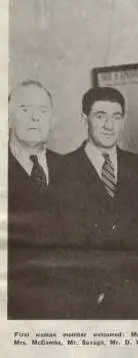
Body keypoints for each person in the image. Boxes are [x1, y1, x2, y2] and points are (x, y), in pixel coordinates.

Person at [58, 86, 138, 249]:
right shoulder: (62, 169)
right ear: (85, 120)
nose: (110, 126)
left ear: (123, 121)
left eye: (116, 117)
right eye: (100, 116)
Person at [7, 80, 67, 318]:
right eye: (25, 110)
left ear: (52, 120)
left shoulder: (71, 167)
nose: (35, 118)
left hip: (66, 305)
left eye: (42, 111)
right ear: (9, 117)